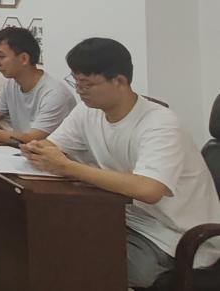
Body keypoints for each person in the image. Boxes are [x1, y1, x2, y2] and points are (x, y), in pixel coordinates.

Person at [23, 38, 220, 288]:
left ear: (120, 81)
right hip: (123, 217)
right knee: (49, 238)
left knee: (79, 260)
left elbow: (149, 189)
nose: (80, 91)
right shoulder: (88, 111)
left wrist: (68, 167)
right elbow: (52, 147)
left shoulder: (160, 124)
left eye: (88, 84)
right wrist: (37, 150)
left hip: (171, 235)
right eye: (76, 82)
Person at [0, 27, 76, 145]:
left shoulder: (54, 94)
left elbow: (32, 139)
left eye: (2, 56)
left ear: (24, 59)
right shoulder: (11, 84)